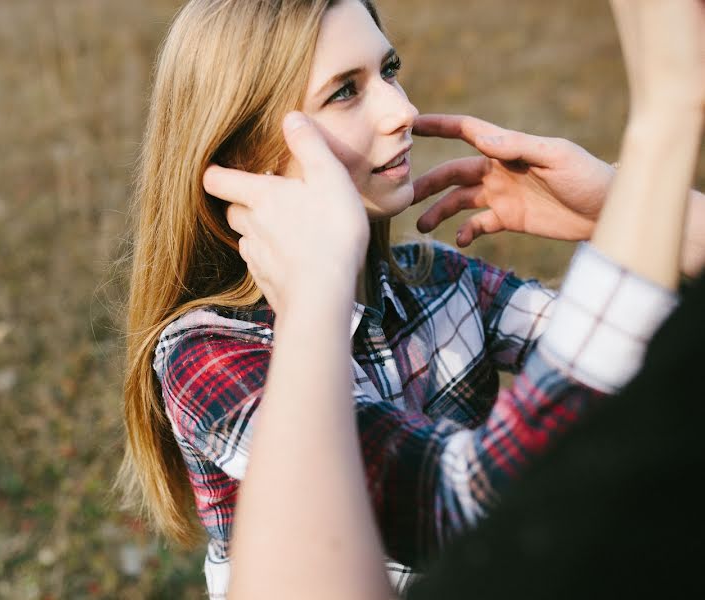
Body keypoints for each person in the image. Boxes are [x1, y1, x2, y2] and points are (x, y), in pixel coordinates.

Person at [117, 0, 703, 597]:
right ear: (249, 158)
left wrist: (630, 208)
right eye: (344, 91)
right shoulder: (207, 354)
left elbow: (661, 363)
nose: (403, 111)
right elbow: (454, 504)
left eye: (389, 69)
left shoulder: (436, 279)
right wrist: (663, 128)